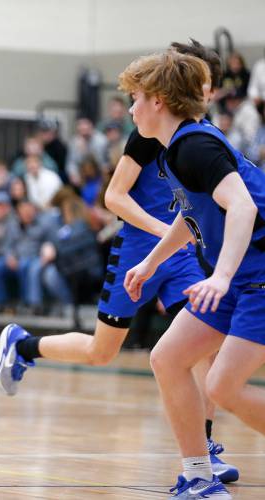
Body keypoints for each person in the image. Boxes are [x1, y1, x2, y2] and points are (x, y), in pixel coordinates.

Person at [0, 40, 238, 492]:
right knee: (101, 352)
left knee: (205, 343)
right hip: (136, 252)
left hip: (181, 253)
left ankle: (203, 453)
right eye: (196, 81)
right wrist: (164, 229)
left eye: (207, 84)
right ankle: (24, 346)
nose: (201, 90)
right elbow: (114, 197)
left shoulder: (201, 136)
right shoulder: (148, 130)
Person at [120, 48, 265, 499]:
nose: (130, 108)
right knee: (166, 358)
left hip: (256, 277)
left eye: (135, 97)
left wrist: (219, 277)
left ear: (158, 100)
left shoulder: (195, 146)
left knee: (223, 386)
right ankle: (199, 475)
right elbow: (194, 213)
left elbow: (242, 206)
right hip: (236, 276)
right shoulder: (177, 149)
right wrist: (151, 262)